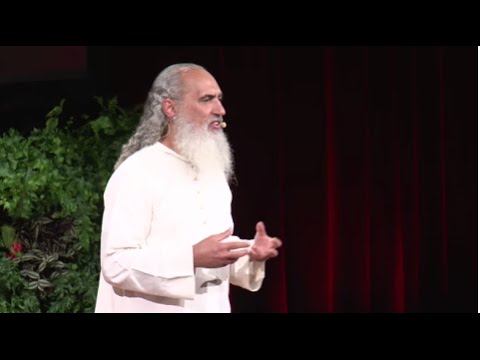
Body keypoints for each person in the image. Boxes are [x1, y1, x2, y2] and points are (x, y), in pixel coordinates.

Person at [95, 63, 282, 312]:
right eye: (207, 100)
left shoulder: (212, 173)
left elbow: (212, 252)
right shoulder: (137, 172)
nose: (220, 110)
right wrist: (190, 258)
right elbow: (116, 262)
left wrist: (250, 254)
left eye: (219, 99)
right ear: (171, 108)